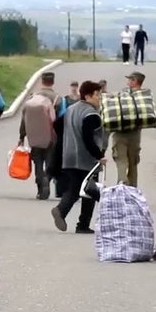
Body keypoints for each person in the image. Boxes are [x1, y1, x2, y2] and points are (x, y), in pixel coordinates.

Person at [51, 80, 106, 234]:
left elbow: (56, 125)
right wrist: (99, 155)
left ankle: (70, 216)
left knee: (76, 187)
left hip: (68, 155)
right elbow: (88, 138)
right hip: (85, 158)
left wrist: (68, 137)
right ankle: (69, 215)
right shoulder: (91, 114)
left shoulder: (71, 109)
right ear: (88, 96)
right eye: (97, 94)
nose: (99, 98)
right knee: (88, 189)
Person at [18, 72, 57, 200]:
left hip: (34, 138)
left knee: (38, 163)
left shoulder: (32, 99)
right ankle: (47, 178)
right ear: (53, 82)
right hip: (51, 137)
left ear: (42, 81)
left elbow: (24, 119)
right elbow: (62, 118)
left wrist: (22, 136)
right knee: (50, 162)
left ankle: (40, 187)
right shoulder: (58, 99)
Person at [109, 71, 149, 187]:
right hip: (135, 136)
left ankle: (121, 183)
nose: (127, 82)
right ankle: (132, 188)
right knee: (133, 163)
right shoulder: (145, 97)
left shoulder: (122, 95)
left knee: (121, 160)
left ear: (134, 81)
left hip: (120, 134)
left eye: (129, 80)